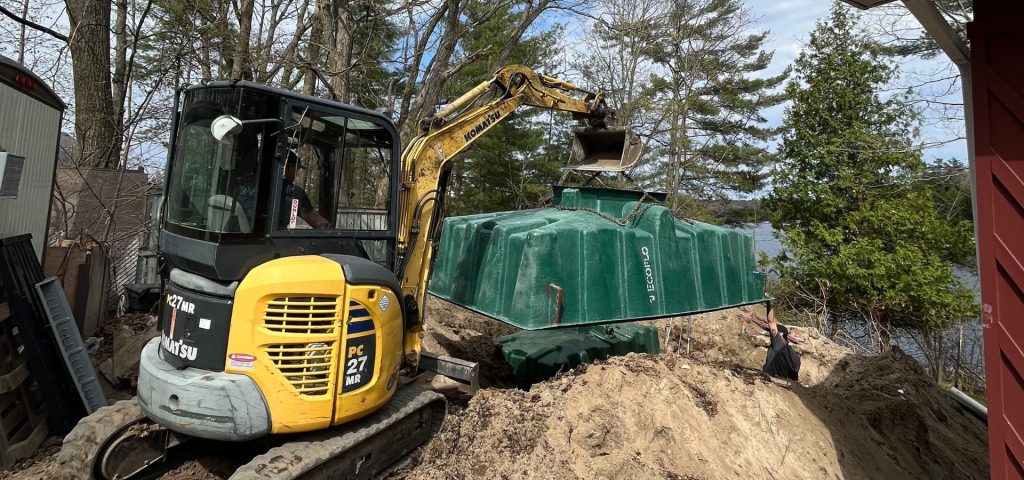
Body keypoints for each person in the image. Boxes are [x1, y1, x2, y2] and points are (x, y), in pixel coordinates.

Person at [281, 149, 330, 229]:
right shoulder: (294, 192)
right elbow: (317, 222)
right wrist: (330, 227)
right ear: (290, 169)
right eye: (296, 169)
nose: (296, 174)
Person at [763, 302, 801, 381]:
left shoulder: (778, 343)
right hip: (783, 383)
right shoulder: (790, 350)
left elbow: (771, 322)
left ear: (780, 334)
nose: (770, 333)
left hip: (772, 381)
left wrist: (769, 302)